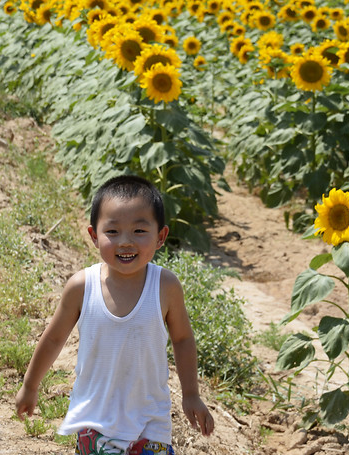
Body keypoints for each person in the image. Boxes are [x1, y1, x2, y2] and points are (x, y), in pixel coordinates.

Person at [15, 174, 214, 455]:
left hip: (151, 422)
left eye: (139, 231)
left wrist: (191, 395)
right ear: (94, 236)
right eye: (112, 232)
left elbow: (182, 339)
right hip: (95, 423)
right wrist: (30, 385)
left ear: (161, 237)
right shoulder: (81, 287)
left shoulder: (165, 286)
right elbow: (53, 339)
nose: (125, 242)